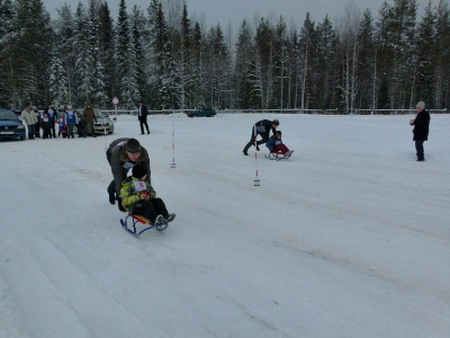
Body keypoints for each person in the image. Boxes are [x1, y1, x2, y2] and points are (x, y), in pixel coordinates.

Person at [106, 137, 151, 211]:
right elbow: (117, 174)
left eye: (137, 153)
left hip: (127, 158)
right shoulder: (117, 153)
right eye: (133, 154)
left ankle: (133, 196)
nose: (135, 156)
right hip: (113, 155)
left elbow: (146, 172)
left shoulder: (143, 153)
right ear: (126, 152)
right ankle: (111, 191)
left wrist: (147, 191)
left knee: (139, 174)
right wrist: (121, 197)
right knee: (122, 176)